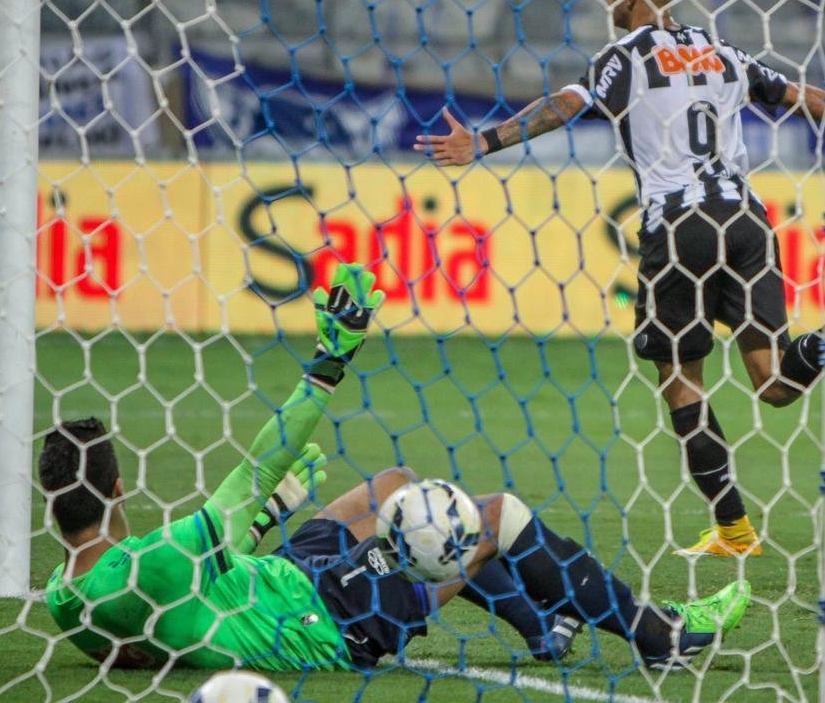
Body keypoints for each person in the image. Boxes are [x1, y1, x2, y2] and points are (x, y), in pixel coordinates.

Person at [414, 0, 825, 559]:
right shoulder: (723, 52)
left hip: (679, 224)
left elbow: (563, 106)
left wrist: (485, 140)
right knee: (771, 382)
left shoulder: (622, 58)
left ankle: (736, 533)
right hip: (746, 220)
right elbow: (800, 93)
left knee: (682, 381)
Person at [41, 263, 751, 673]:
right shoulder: (157, 561)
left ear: (54, 502)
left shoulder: (63, 595)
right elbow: (257, 467)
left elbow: (205, 576)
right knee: (490, 516)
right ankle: (659, 633)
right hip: (323, 620)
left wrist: (270, 517)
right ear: (116, 487)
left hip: (277, 579)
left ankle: (540, 628)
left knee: (393, 485)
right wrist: (330, 362)